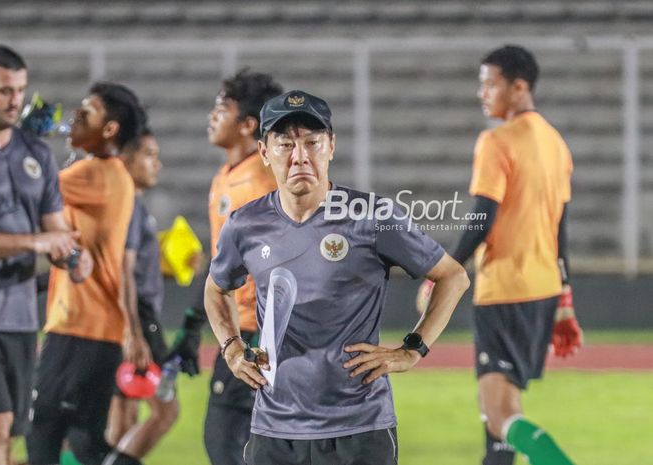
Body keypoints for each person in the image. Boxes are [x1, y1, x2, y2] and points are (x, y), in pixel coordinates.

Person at [204, 90, 470, 465]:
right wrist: (231, 348)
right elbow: (216, 288)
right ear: (264, 152)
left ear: (331, 146)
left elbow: (453, 277)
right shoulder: (245, 225)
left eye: (312, 142)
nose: (300, 156)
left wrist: (413, 349)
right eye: (285, 144)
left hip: (360, 427)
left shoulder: (373, 217)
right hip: (275, 431)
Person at [417, 45, 581, 465]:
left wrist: (443, 271)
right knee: (498, 415)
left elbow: (483, 215)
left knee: (499, 413)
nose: (482, 93)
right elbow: (559, 227)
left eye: (490, 83)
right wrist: (564, 300)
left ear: (519, 86)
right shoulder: (555, 142)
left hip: (505, 289)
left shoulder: (497, 141)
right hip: (543, 290)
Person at [0, 45, 91, 465]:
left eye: (20, 90)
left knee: (5, 438)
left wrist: (72, 257)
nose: (15, 101)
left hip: (20, 318)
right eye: (3, 91)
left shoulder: (36, 155)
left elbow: (55, 232)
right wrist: (36, 243)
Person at [26, 82, 151, 465]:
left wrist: (23, 139)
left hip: (79, 325)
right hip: (99, 329)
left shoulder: (97, 172)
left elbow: (24, 186)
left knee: (43, 431)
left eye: (88, 110)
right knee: (85, 441)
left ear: (110, 129)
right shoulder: (108, 174)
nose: (76, 115)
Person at [201, 68, 282, 465]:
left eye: (223, 107)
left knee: (225, 440)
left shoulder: (263, 180)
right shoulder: (224, 177)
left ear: (249, 125)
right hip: (236, 324)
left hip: (256, 328)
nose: (212, 115)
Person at [105, 128, 179, 461]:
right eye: (149, 155)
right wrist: (132, 331)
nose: (157, 164)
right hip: (138, 318)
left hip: (124, 315)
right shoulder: (129, 204)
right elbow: (122, 269)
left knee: (124, 417)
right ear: (126, 159)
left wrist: (166, 263)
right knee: (166, 411)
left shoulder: (126, 203)